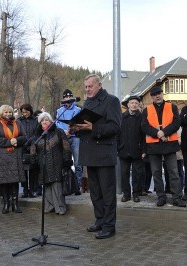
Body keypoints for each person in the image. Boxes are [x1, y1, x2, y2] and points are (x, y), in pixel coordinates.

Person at [71, 74, 121, 239]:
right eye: (85, 87)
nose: (87, 90)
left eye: (90, 86)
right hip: (89, 153)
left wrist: (94, 127)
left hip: (104, 153)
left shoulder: (111, 101)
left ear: (99, 85)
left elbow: (115, 127)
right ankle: (100, 220)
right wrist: (77, 129)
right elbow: (87, 127)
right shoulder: (88, 102)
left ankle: (109, 226)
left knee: (107, 192)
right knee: (95, 193)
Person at [141, 86, 185, 208]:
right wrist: (158, 134)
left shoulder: (172, 107)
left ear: (162, 94)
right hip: (154, 146)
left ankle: (176, 197)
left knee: (173, 172)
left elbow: (177, 123)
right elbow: (144, 126)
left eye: (159, 93)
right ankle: (161, 197)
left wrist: (164, 132)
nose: (157, 96)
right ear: (152, 96)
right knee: (156, 172)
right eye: (155, 94)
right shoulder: (147, 110)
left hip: (169, 144)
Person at [31, 112, 72, 215]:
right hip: (43, 164)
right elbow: (33, 149)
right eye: (42, 120)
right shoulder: (37, 135)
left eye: (47, 120)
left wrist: (67, 160)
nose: (45, 122)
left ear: (51, 121)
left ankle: (60, 208)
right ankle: (49, 207)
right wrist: (33, 162)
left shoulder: (59, 132)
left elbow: (66, 146)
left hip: (57, 163)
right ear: (40, 123)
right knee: (47, 187)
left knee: (57, 186)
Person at [0, 105, 27, 213]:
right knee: (4, 181)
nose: (8, 114)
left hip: (15, 156)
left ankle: (15, 204)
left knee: (14, 181)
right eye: (6, 112)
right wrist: (9, 142)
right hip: (2, 157)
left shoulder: (18, 123)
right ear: (1, 113)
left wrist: (16, 140)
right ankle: (6, 204)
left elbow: (24, 137)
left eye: (10, 112)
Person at [118, 95, 146, 203]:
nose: (134, 105)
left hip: (137, 149)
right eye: (132, 103)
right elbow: (117, 134)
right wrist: (118, 147)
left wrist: (144, 150)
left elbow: (144, 135)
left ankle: (136, 194)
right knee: (124, 174)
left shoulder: (142, 117)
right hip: (124, 149)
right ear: (128, 104)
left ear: (138, 105)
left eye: (136, 103)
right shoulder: (122, 117)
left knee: (137, 174)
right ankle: (126, 194)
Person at [55, 89, 82, 195]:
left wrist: (72, 129)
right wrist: (64, 132)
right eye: (65, 99)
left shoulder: (78, 109)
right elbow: (57, 123)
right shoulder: (59, 111)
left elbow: (80, 122)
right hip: (64, 137)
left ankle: (78, 186)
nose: (67, 101)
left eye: (69, 98)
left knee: (77, 163)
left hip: (75, 137)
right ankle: (66, 186)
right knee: (65, 162)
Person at [18, 103, 40, 198]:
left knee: (33, 170)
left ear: (30, 111)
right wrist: (24, 142)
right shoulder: (19, 121)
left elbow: (37, 133)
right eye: (23, 112)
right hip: (22, 147)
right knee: (23, 171)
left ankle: (32, 189)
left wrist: (30, 142)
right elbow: (18, 133)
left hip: (33, 147)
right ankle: (25, 189)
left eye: (26, 112)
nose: (25, 114)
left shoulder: (36, 120)